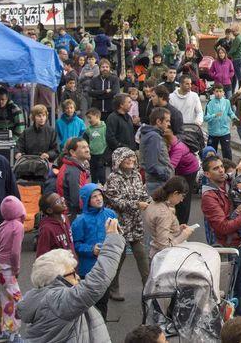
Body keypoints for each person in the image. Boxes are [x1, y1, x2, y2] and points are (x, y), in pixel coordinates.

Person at [17, 217, 126, 343]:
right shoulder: (57, 301)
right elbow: (97, 282)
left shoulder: (44, 298)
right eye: (72, 274)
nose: (78, 277)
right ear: (57, 278)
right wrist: (112, 239)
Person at [200, 155, 241, 316]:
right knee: (228, 294)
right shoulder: (209, 197)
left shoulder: (230, 182)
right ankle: (229, 331)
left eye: (221, 166)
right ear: (207, 174)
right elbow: (222, 227)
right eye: (215, 168)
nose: (221, 170)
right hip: (228, 250)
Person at [104, 147, 152, 296]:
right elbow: (115, 201)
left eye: (132, 157)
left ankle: (149, 286)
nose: (131, 160)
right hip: (119, 222)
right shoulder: (113, 178)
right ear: (118, 161)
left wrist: (151, 203)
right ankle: (113, 288)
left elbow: (143, 194)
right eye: (127, 158)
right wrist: (136, 204)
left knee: (141, 254)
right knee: (120, 255)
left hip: (135, 221)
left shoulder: (137, 175)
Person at [71, 183, 118, 317]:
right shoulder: (80, 221)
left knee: (103, 302)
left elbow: (117, 235)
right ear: (86, 201)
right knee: (89, 306)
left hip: (106, 266)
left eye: (99, 195)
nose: (99, 199)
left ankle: (102, 331)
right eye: (94, 197)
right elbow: (75, 244)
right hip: (88, 269)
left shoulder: (110, 214)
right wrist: (91, 249)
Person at [0, 195, 26, 341]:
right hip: (8, 268)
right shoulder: (18, 227)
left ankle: (1, 331)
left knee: (2, 299)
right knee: (17, 300)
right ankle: (14, 333)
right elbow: (15, 252)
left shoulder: (2, 225)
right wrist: (16, 268)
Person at [145, 177, 195, 258]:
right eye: (182, 196)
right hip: (164, 259)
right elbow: (164, 248)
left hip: (155, 253)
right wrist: (184, 235)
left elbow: (159, 228)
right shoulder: (163, 213)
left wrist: (177, 229)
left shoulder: (154, 202)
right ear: (175, 193)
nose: (182, 200)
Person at [140, 107, 173, 196]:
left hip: (156, 182)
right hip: (157, 184)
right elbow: (152, 165)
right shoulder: (154, 137)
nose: (169, 124)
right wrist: (166, 173)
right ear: (158, 122)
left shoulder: (154, 135)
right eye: (167, 121)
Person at [204, 84, 236, 159]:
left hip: (225, 132)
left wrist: (234, 118)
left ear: (223, 92)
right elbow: (205, 118)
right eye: (217, 91)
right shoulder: (210, 103)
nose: (218, 93)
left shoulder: (227, 102)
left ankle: (228, 168)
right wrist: (214, 115)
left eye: (220, 91)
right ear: (214, 92)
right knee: (211, 153)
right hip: (213, 132)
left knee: (227, 152)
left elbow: (230, 112)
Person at [82, 108, 108, 184]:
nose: (89, 120)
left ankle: (104, 191)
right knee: (93, 175)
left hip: (102, 155)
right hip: (92, 155)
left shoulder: (105, 128)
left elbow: (108, 140)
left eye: (90, 118)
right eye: (87, 118)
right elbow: (85, 142)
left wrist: (106, 155)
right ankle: (93, 190)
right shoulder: (88, 130)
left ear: (97, 116)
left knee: (102, 175)